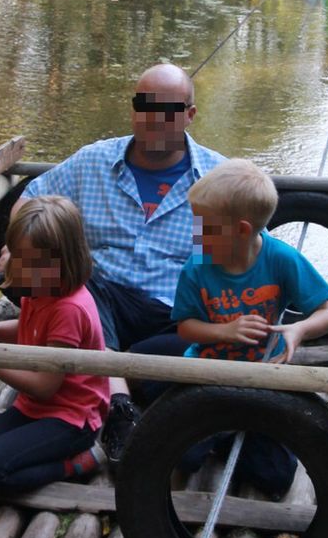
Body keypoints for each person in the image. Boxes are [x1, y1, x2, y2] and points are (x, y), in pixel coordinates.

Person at [12, 63, 225, 457]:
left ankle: (121, 372)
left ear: (189, 116)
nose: (154, 119)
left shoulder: (219, 177)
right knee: (81, 278)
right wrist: (17, 249)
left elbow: (252, 253)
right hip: (99, 305)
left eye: (168, 110)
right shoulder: (93, 160)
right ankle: (120, 404)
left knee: (206, 353)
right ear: (133, 109)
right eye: (145, 106)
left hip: (173, 313)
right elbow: (32, 197)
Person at [147, 159, 328, 498]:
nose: (195, 234)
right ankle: (221, 431)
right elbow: (187, 329)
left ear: (242, 231)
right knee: (181, 456)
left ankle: (230, 431)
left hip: (264, 377)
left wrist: (298, 330)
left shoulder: (281, 259)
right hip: (207, 374)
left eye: (204, 227)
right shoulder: (199, 264)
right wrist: (226, 332)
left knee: (277, 476)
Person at [0, 196, 110, 490]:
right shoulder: (42, 288)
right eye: (18, 258)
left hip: (71, 419)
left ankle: (75, 463)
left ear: (63, 260)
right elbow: (29, 328)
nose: (19, 269)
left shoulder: (68, 308)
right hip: (34, 409)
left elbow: (44, 386)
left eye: (30, 263)